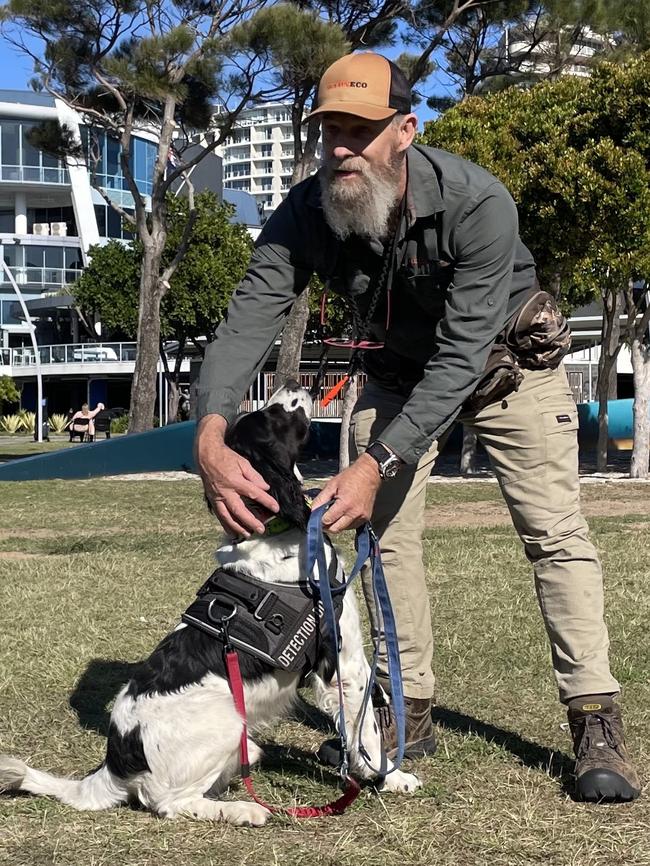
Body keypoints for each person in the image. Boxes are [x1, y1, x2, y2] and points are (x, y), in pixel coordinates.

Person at [195, 52, 640, 802]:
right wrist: (207, 433)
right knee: (381, 538)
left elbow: (466, 349)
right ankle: (410, 707)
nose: (341, 145)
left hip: (507, 371)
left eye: (360, 129)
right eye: (330, 126)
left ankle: (594, 716)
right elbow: (251, 314)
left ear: (404, 130)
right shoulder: (307, 210)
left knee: (555, 533)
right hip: (400, 377)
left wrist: (377, 462)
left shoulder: (478, 201)